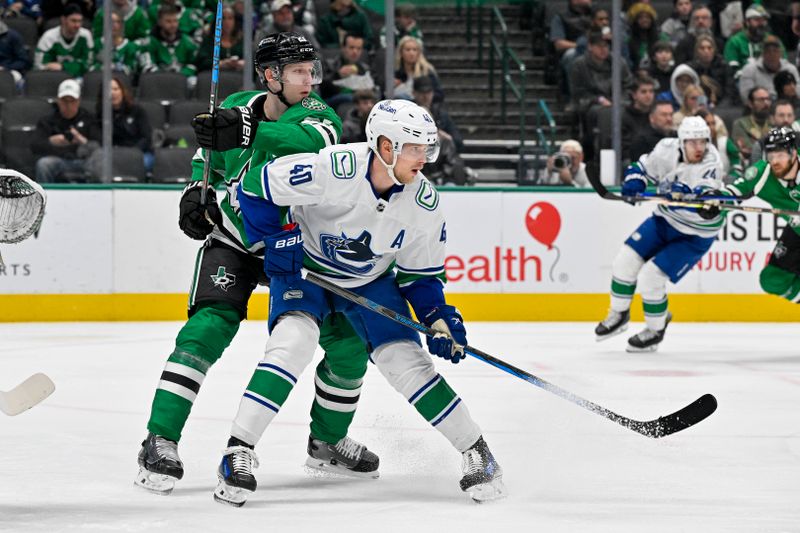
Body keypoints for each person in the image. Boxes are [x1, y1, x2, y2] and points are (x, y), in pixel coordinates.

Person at [216, 98, 506, 506]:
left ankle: (477, 451)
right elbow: (255, 187)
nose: (423, 158)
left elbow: (421, 278)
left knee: (406, 360)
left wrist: (440, 319)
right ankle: (238, 451)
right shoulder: (333, 168)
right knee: (292, 343)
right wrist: (277, 239)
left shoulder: (424, 203)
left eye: (427, 148)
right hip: (308, 273)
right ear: (385, 146)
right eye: (414, 148)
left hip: (369, 283)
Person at [135, 32, 375, 496]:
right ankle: (159, 439)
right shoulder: (237, 105)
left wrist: (245, 129)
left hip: (295, 249)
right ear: (271, 76)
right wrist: (195, 190)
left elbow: (301, 140)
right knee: (206, 329)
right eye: (299, 72)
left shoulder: (320, 115)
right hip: (236, 238)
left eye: (312, 71)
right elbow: (210, 158)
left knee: (347, 344)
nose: (311, 80)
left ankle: (326, 441)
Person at [595, 116, 724, 352]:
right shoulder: (665, 149)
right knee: (624, 261)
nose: (699, 147)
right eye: (693, 142)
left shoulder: (712, 161)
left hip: (695, 233)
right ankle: (619, 314)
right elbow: (642, 167)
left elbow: (707, 190)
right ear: (682, 141)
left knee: (651, 279)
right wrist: (635, 180)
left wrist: (696, 197)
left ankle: (655, 329)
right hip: (665, 220)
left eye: (703, 141)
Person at [724, 127, 800, 304]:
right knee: (772, 279)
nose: (775, 161)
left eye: (780, 155)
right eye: (771, 156)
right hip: (796, 232)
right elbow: (733, 193)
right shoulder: (762, 173)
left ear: (794, 153)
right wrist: (713, 202)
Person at [31, 78, 99, 183]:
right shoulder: (48, 120)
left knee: (98, 163)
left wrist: (82, 141)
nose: (68, 105)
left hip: (83, 161)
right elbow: (35, 145)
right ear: (58, 100)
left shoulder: (89, 119)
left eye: (72, 101)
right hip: (58, 160)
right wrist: (51, 142)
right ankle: (45, 197)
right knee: (44, 164)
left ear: (79, 101)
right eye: (64, 101)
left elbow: (99, 147)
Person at [87, 76, 153, 176]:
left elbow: (146, 137)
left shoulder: (138, 111)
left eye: (115, 89)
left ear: (122, 91)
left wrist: (133, 152)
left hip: (137, 153)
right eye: (108, 90)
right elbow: (99, 139)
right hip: (112, 155)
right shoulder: (99, 116)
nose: (112, 93)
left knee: (143, 163)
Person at [140, 4, 198, 85]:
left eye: (175, 21)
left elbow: (194, 64)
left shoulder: (187, 41)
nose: (173, 25)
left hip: (182, 79)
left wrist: (181, 74)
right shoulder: (149, 43)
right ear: (160, 22)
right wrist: (166, 77)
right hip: (158, 81)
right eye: (168, 21)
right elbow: (147, 66)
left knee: (193, 81)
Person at [724, 3, 785, 78]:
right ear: (747, 22)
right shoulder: (734, 42)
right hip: (744, 82)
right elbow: (732, 70)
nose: (761, 23)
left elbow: (784, 64)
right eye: (757, 20)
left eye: (763, 20)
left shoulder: (774, 40)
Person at [33, 3, 93, 77]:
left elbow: (88, 64)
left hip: (79, 79)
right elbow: (40, 65)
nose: (77, 25)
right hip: (52, 78)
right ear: (63, 20)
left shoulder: (86, 35)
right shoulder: (49, 37)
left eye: (80, 21)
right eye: (73, 21)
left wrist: (63, 67)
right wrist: (76, 66)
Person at [738, 36, 800, 104]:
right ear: (762, 54)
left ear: (781, 53)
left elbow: (798, 91)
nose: (772, 54)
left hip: (787, 107)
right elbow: (746, 96)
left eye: (775, 51)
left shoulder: (790, 69)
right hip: (760, 109)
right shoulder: (749, 70)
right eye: (768, 51)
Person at [90, 11, 151, 80]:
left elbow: (131, 69)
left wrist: (115, 67)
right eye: (111, 21)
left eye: (117, 22)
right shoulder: (97, 44)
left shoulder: (130, 46)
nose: (114, 25)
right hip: (100, 80)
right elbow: (90, 65)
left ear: (122, 25)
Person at [320, 33, 374, 110]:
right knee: (350, 98)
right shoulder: (330, 64)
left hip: (360, 101)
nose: (355, 51)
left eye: (358, 49)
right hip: (333, 101)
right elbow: (322, 90)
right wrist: (338, 75)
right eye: (351, 48)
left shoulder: (364, 69)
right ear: (343, 48)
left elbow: (374, 91)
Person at [731, 86, 773, 168]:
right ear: (750, 103)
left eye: (768, 99)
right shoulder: (741, 124)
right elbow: (746, 150)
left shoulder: (774, 123)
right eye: (761, 100)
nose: (766, 103)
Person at [393, 35, 443, 102]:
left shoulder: (427, 71)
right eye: (408, 50)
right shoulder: (396, 73)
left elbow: (439, 94)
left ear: (419, 52)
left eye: (414, 50)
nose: (411, 53)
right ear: (401, 52)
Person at [195, 4, 243, 72]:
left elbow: (253, 61)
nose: (226, 22)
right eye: (223, 18)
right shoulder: (209, 41)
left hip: (238, 78)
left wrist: (241, 64)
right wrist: (221, 64)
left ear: (235, 21)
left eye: (230, 18)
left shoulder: (242, 42)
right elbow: (202, 63)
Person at [622, 75, 656, 161]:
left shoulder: (656, 115)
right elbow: (624, 149)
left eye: (651, 91)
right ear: (634, 95)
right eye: (643, 92)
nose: (648, 95)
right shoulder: (624, 117)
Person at [0, 18, 31, 86]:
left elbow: (23, 61)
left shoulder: (13, 36)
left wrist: (5, 67)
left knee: (16, 77)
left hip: (8, 69)